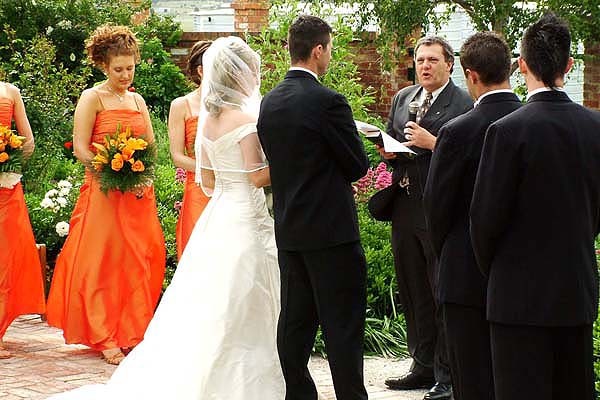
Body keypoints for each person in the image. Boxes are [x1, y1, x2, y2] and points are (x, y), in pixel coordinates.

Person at [46, 35, 285, 400]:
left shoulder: (208, 121)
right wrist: (291, 164)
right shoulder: (245, 119)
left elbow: (207, 179)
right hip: (242, 217)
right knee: (244, 291)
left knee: (210, 293)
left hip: (218, 215)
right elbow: (256, 176)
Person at [470, 13, 600, 400]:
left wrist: (498, 274)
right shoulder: (595, 128)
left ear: (522, 65)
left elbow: (484, 221)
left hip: (516, 299)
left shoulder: (507, 131)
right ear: (569, 65)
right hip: (575, 290)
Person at [257, 15, 369, 400]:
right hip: (332, 233)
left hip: (290, 228)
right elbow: (356, 164)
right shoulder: (328, 101)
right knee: (343, 327)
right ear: (318, 50)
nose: (330, 57)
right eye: (330, 50)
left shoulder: (269, 102)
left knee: (295, 324)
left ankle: (299, 395)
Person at [46, 25, 166, 366]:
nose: (125, 75)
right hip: (103, 190)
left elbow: (152, 148)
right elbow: (81, 149)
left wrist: (142, 174)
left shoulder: (138, 100)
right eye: (118, 69)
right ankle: (104, 335)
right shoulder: (92, 98)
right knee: (103, 262)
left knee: (140, 259)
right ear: (103, 65)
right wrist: (113, 170)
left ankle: (132, 330)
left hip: (138, 195)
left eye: (130, 68)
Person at [423, 32, 521, 400]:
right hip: (519, 276)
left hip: (464, 274)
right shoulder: (532, 123)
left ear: (470, 75)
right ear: (510, 69)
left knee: (471, 381)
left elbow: (436, 208)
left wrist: (446, 252)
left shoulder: (457, 130)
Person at [380, 36, 472, 400]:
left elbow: (466, 153)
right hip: (404, 203)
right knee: (413, 287)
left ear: (450, 64)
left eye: (433, 60)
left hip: (439, 208)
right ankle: (420, 363)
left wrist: (433, 141)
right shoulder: (404, 98)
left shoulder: (463, 103)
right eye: (420, 60)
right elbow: (391, 134)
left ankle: (447, 375)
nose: (425, 66)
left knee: (440, 290)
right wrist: (386, 149)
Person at [0, 81, 46, 359]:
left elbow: (27, 141)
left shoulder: (11, 92)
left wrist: (10, 166)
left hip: (7, 187)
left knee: (8, 256)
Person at [168, 40, 212, 259]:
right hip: (197, 187)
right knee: (197, 253)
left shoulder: (230, 106)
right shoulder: (181, 105)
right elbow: (177, 156)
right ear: (201, 71)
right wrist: (207, 169)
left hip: (227, 188)